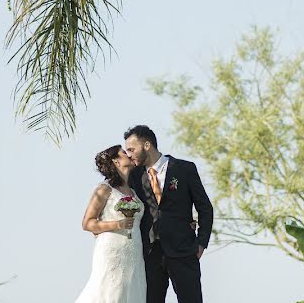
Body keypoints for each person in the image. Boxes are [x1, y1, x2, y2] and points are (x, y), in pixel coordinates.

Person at [124, 125, 213, 303]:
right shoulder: (133, 176)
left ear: (147, 145)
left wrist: (201, 243)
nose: (129, 155)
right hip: (150, 255)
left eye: (131, 149)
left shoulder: (184, 169)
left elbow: (205, 208)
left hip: (184, 251)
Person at [75, 145, 146, 303]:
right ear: (116, 161)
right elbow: (87, 223)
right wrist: (118, 224)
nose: (128, 154)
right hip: (112, 252)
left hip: (134, 253)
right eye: (123, 153)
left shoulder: (134, 192)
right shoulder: (104, 189)